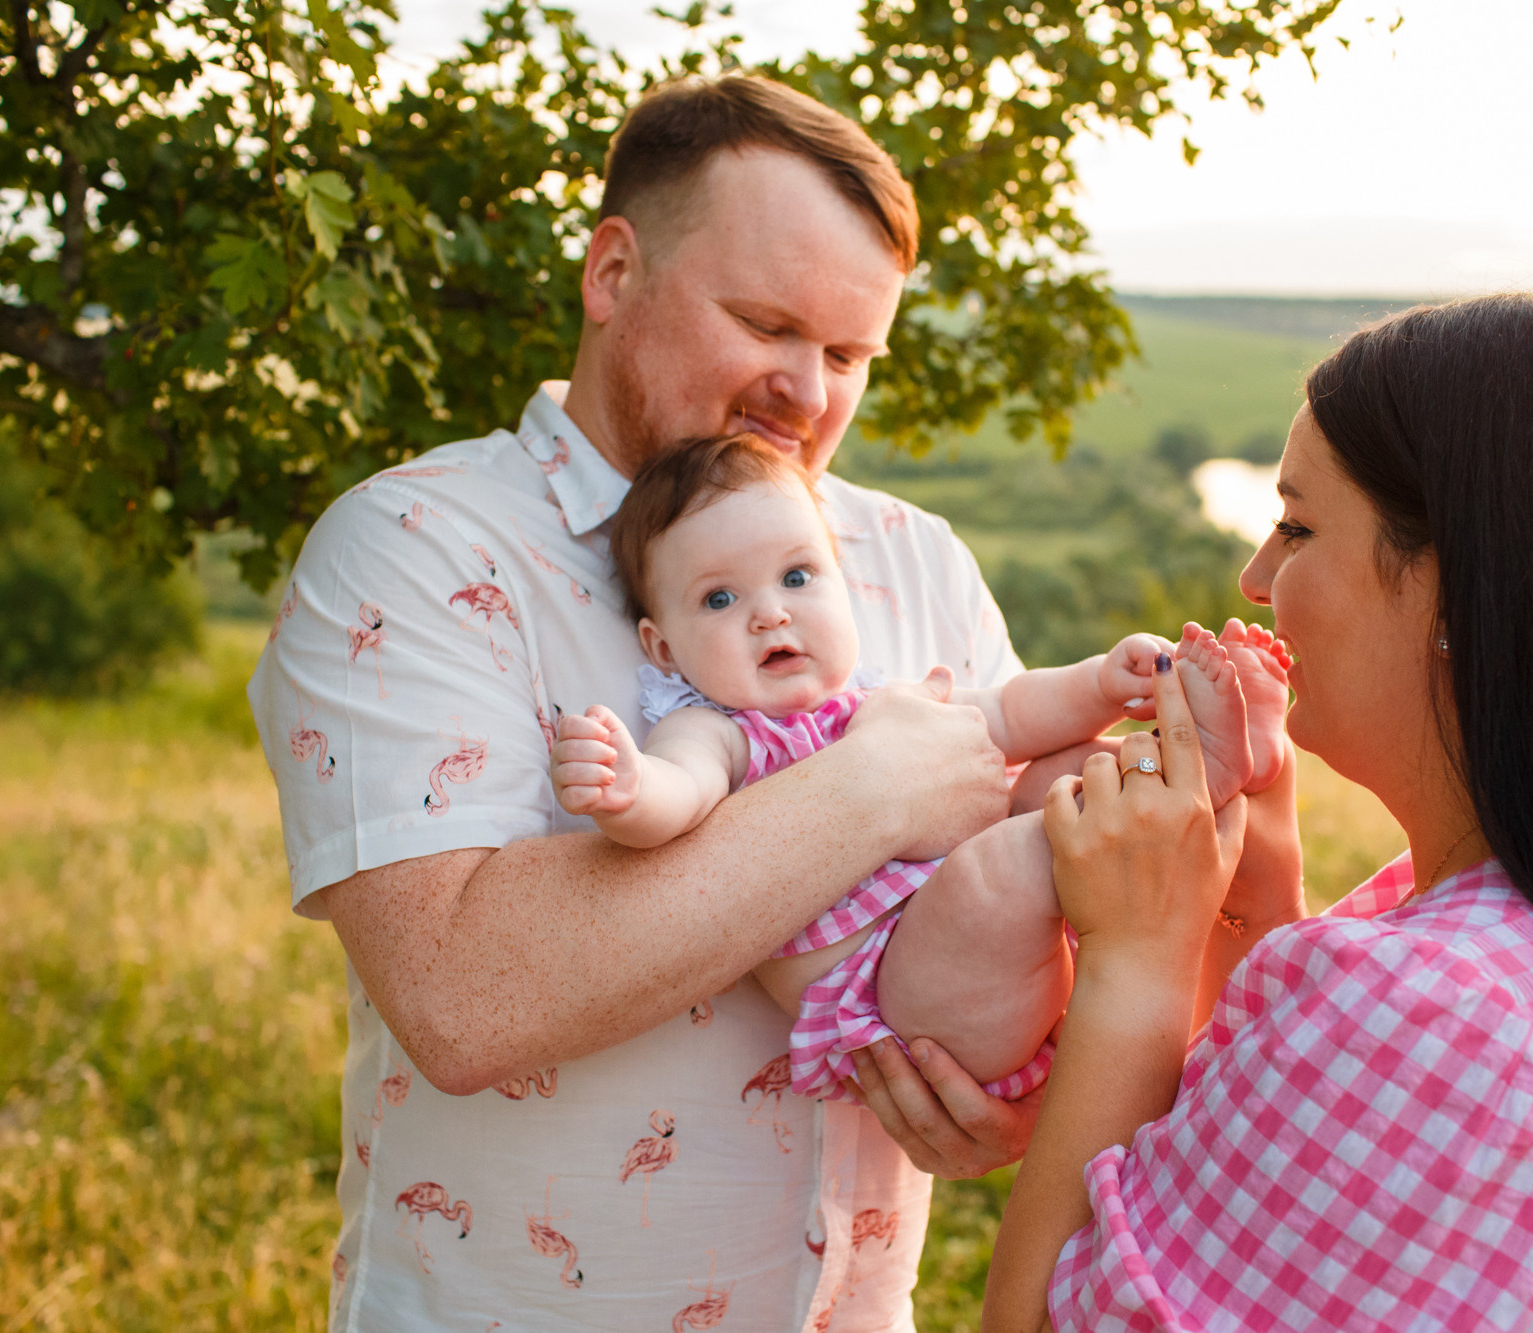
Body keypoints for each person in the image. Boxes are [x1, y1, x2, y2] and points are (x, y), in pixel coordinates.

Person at [250, 74, 1038, 1330]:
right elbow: (464, 995)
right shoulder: (413, 547)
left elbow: (1030, 900)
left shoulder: (913, 560)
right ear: (611, 272)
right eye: (765, 323)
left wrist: (1002, 1086)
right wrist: (871, 788)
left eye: (846, 354)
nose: (809, 392)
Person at [960, 291, 1533, 1331]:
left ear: (1458, 592)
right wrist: (1255, 892)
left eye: (1298, 525)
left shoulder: (1441, 1020)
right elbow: (1277, 1202)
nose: (1255, 577)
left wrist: (1134, 955)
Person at [549, 431, 1289, 1102]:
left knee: (1051, 772)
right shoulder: (718, 731)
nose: (770, 612)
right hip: (898, 1001)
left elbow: (1009, 712)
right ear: (664, 649)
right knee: (1000, 864)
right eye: (719, 597)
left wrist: (1100, 682)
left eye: (798, 577)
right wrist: (629, 786)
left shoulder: (879, 699)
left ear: (841, 582)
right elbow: (680, 792)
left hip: (994, 954)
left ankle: (1196, 762)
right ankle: (1176, 788)